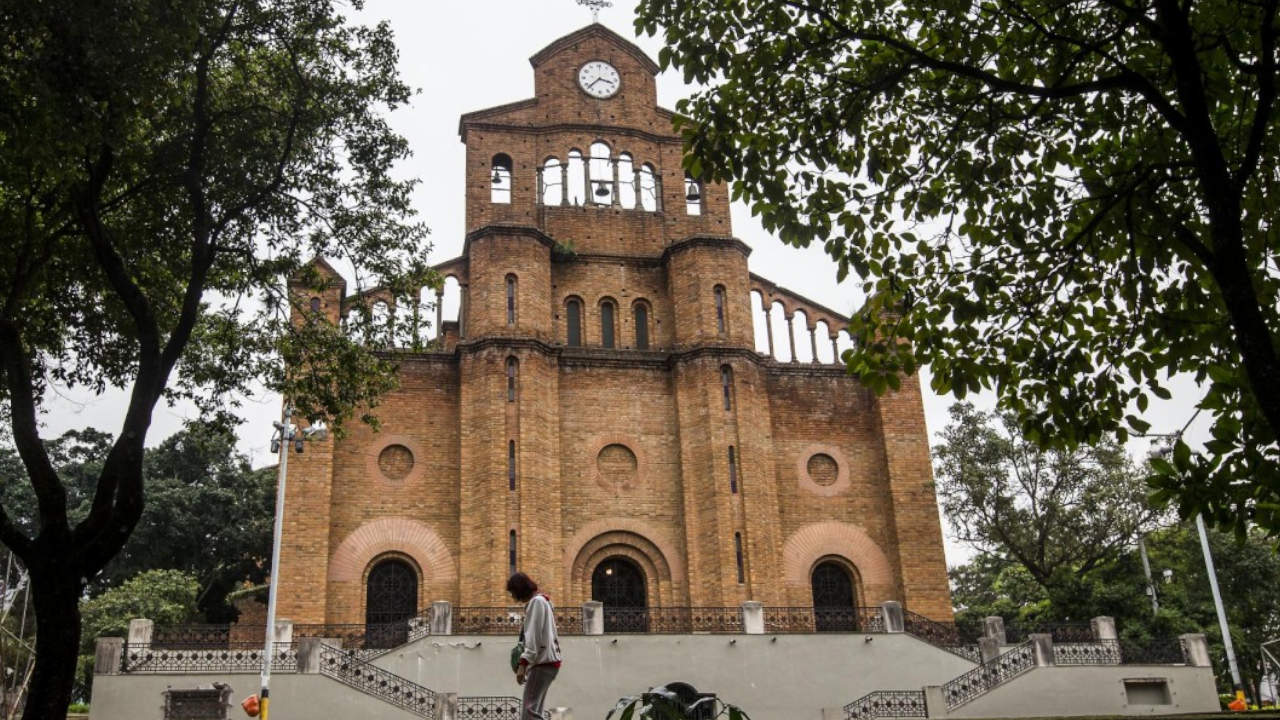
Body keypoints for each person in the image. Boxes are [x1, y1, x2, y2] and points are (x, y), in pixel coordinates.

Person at [507, 571, 561, 720]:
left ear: (519, 589)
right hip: (548, 663)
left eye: (513, 593)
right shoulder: (544, 601)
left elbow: (533, 637)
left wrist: (523, 664)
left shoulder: (536, 603)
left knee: (529, 713)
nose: (513, 597)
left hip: (542, 663)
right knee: (534, 711)